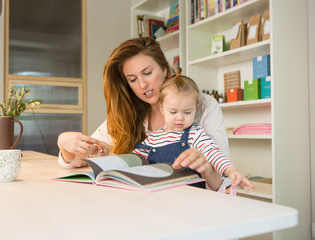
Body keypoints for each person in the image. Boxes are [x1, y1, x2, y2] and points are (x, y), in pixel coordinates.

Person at [57, 37, 233, 191]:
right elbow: (81, 159)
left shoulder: (204, 104)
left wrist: (205, 166)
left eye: (147, 73)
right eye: (132, 79)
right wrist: (64, 144)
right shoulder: (126, 113)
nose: (142, 85)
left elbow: (221, 177)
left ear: (164, 69)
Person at [132, 68, 254, 193]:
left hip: (193, 197)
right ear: (162, 109)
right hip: (161, 196)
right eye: (173, 112)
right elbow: (134, 160)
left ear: (195, 108)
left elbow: (214, 154)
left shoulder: (195, 134)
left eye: (187, 112)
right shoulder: (152, 139)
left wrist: (231, 170)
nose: (180, 117)